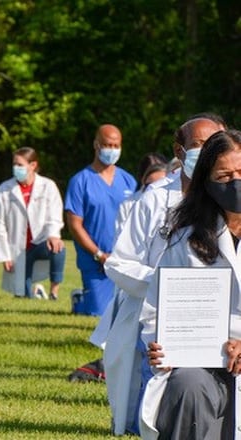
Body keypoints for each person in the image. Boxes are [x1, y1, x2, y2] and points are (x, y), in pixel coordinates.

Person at [99, 117, 225, 435]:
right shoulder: (154, 199)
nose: (207, 152)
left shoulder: (227, 199)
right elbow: (118, 263)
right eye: (198, 145)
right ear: (179, 151)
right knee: (151, 398)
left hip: (214, 318)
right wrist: (164, 284)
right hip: (154, 315)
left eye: (214, 145)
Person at [140, 129, 241, 439]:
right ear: (206, 183)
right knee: (188, 386)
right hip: (204, 361)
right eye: (224, 176)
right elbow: (155, 310)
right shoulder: (185, 239)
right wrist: (158, 344)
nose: (235, 182)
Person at [65, 124, 136, 316]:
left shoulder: (129, 181)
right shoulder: (80, 181)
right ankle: (80, 300)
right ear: (96, 145)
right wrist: (99, 255)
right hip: (95, 262)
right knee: (98, 314)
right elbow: (74, 225)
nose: (111, 150)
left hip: (123, 260)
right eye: (107, 145)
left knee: (126, 313)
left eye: (116, 145)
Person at [0, 147, 66, 300]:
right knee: (23, 296)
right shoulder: (5, 189)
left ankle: (53, 292)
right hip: (17, 250)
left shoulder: (48, 186)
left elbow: (55, 215)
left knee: (59, 249)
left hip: (40, 244)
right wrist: (5, 256)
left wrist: (53, 235)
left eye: (20, 165)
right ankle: (34, 291)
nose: (16, 168)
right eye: (14, 164)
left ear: (33, 165)